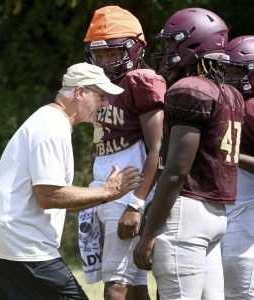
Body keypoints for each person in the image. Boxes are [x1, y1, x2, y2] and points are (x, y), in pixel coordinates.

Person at [0, 62, 144, 300]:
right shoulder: (52, 126)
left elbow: (57, 199)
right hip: (21, 244)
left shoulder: (50, 121)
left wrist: (105, 194)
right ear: (79, 92)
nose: (106, 104)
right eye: (101, 96)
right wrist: (108, 192)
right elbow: (49, 196)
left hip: (3, 241)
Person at [133, 7, 244, 300]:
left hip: (187, 215)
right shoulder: (230, 93)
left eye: (172, 43)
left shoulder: (190, 89)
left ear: (191, 44)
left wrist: (147, 237)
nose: (167, 50)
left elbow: (176, 171)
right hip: (217, 214)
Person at [80, 5, 166, 300]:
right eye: (99, 54)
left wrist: (137, 204)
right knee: (134, 283)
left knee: (115, 286)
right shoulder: (102, 85)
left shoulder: (140, 80)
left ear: (134, 49)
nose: (105, 61)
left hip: (127, 193)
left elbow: (158, 147)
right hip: (107, 191)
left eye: (112, 52)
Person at [221, 35, 254, 299]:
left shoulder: (251, 109)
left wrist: (230, 152)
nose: (229, 77)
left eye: (236, 71)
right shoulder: (232, 103)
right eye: (226, 70)